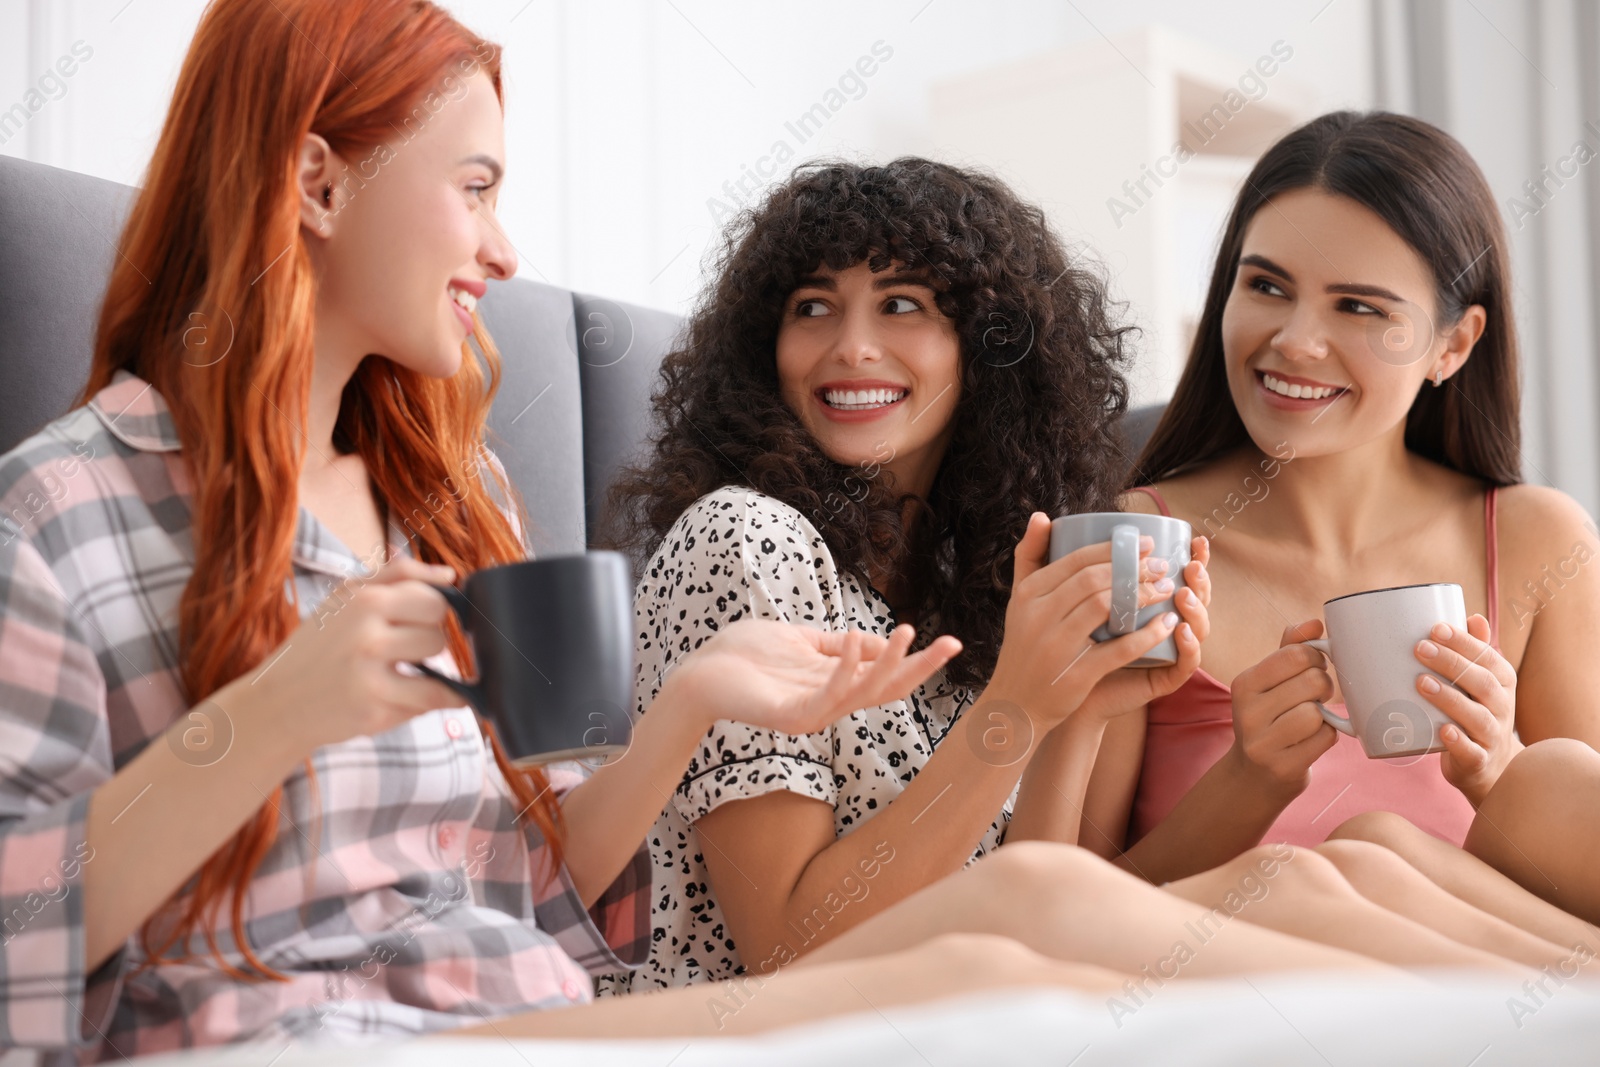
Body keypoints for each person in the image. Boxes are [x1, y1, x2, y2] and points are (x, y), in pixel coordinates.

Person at [597, 156, 1576, 1001]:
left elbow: (1039, 886)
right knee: (1298, 878)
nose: (851, 344)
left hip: (986, 986)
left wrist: (1080, 705)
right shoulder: (748, 536)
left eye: (903, 305)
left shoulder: (969, 582)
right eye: (812, 307)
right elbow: (792, 947)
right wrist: (1023, 708)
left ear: (990, 346)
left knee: (1378, 848)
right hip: (825, 1011)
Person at [1076, 110, 1600, 954]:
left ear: (1453, 344)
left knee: (1408, 834)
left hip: (1495, 1010)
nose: (1294, 341)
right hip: (1248, 1001)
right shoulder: (1143, 547)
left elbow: (1583, 877)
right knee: (1352, 857)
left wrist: (1497, 771)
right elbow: (1064, 910)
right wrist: (1245, 785)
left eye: (1358, 306)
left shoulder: (1538, 540)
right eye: (1267, 286)